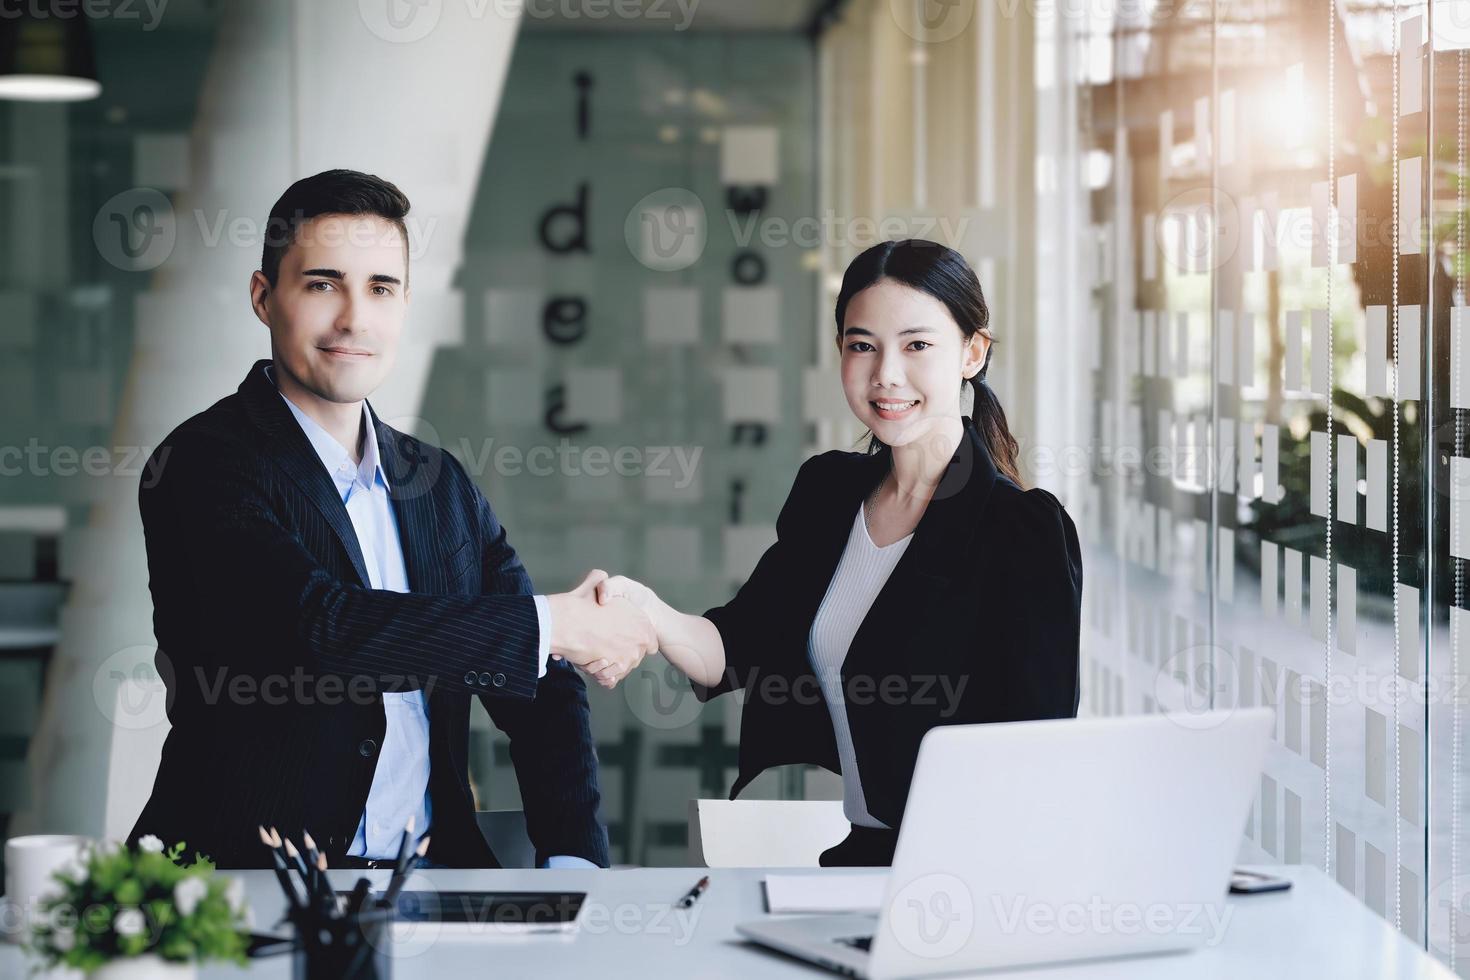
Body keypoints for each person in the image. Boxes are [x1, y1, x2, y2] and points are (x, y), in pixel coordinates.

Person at [128, 169, 654, 869]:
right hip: (243, 890)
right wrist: (552, 623)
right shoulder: (202, 464)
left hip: (435, 883)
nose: (354, 318)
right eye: (322, 284)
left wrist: (572, 862)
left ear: (405, 304)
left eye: (381, 287)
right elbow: (323, 632)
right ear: (264, 298)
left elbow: (542, 685)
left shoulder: (437, 484)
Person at [594, 239, 1082, 867]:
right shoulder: (829, 493)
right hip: (863, 857)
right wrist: (645, 611)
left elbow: (1042, 755)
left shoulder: (1022, 530)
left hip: (973, 870)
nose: (886, 374)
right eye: (862, 345)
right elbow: (735, 649)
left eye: (917, 345)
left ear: (972, 352)